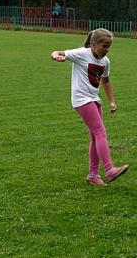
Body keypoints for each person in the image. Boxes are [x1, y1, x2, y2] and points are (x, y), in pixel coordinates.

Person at [51, 28, 129, 186]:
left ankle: (93, 175)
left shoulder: (105, 61)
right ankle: (109, 170)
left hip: (94, 98)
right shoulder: (81, 53)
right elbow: (57, 52)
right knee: (101, 132)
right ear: (94, 44)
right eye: (104, 46)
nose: (107, 50)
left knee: (95, 136)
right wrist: (56, 57)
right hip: (81, 99)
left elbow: (106, 81)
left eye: (109, 47)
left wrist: (112, 101)